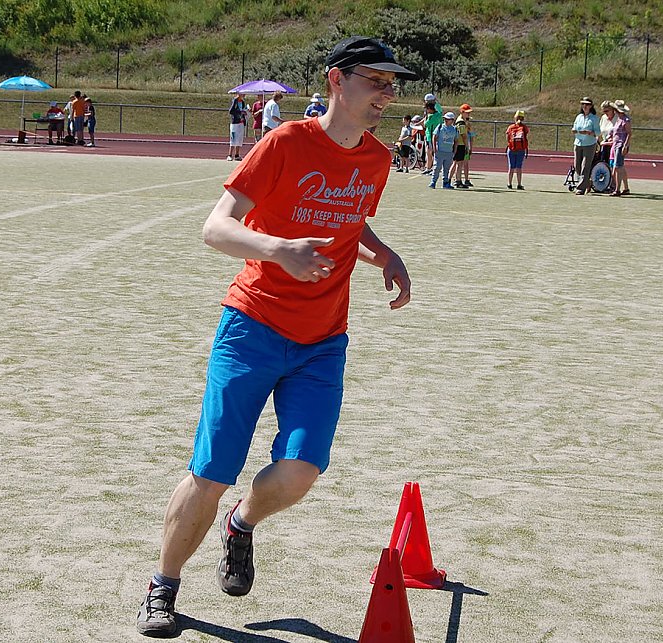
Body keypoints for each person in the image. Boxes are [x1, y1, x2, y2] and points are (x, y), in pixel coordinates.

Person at [135, 35, 415, 638]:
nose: (387, 94)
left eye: (392, 85)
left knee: (300, 472)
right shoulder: (285, 141)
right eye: (376, 81)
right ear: (337, 80)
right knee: (212, 471)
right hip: (252, 328)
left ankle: (241, 524)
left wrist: (384, 254)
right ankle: (163, 585)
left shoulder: (377, 159)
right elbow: (216, 227)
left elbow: (350, 223)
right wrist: (276, 249)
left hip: (323, 341)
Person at [571, 96, 601, 195]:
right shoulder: (579, 117)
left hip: (589, 144)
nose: (585, 106)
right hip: (578, 143)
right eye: (583, 104)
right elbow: (575, 127)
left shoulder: (594, 118)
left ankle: (580, 188)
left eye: (587, 104)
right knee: (577, 166)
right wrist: (574, 131)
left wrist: (590, 133)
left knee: (585, 166)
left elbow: (598, 132)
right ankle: (587, 183)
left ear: (591, 106)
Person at [605, 99, 632, 196]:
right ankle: (625, 188)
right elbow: (615, 131)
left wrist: (625, 146)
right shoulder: (618, 119)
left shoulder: (625, 120)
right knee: (620, 167)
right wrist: (610, 136)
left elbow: (629, 133)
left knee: (617, 167)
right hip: (616, 144)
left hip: (621, 145)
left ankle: (617, 189)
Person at [429, 111, 458, 189]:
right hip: (440, 151)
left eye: (448, 119)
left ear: (452, 120)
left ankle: (445, 183)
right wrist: (434, 148)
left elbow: (456, 140)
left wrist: (454, 150)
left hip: (449, 152)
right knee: (437, 167)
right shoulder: (440, 127)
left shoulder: (455, 129)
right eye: (445, 119)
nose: (445, 120)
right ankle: (433, 182)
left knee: (446, 169)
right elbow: (434, 137)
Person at [505, 109, 529, 190]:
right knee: (518, 167)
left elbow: (507, 137)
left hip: (512, 149)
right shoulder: (524, 127)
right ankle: (519, 184)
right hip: (520, 149)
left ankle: (509, 183)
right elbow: (526, 135)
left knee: (511, 167)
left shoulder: (511, 127)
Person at [451, 104, 472, 188]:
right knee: (458, 164)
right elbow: (463, 136)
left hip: (459, 144)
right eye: (467, 112)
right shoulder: (461, 122)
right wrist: (467, 146)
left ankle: (456, 179)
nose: (468, 114)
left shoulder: (462, 121)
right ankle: (457, 180)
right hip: (460, 144)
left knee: (458, 163)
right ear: (462, 112)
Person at [422, 94, 442, 174]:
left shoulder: (436, 109)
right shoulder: (432, 111)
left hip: (432, 133)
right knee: (428, 152)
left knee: (432, 152)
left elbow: (428, 122)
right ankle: (428, 167)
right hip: (429, 133)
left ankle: (433, 168)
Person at [227, 92, 247, 160]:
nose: (244, 95)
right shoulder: (235, 101)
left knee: (239, 139)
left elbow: (243, 110)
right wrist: (240, 112)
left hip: (241, 122)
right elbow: (231, 111)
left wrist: (245, 112)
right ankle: (230, 155)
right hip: (235, 123)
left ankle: (237, 155)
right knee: (233, 138)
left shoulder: (243, 102)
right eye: (243, 94)